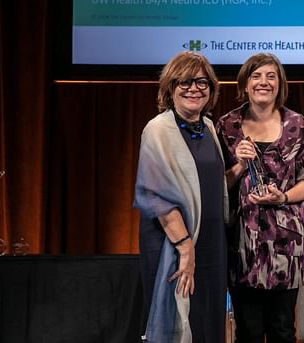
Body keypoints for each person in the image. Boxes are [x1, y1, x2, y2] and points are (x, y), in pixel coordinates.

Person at [216, 53, 304, 343]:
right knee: (247, 331)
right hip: (242, 245)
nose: (264, 82)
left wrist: (282, 197)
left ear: (280, 83)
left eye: (271, 76)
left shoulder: (297, 123)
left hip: (287, 245)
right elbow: (215, 186)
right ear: (245, 84)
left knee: (283, 330)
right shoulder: (226, 125)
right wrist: (237, 164)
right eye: (256, 76)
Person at [133, 51, 229, 343]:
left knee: (209, 321)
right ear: (170, 88)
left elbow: (213, 184)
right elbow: (156, 196)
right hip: (174, 245)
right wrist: (186, 249)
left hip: (212, 243)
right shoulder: (158, 129)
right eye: (184, 82)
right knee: (179, 321)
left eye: (202, 82)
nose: (193, 88)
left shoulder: (210, 127)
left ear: (211, 89)